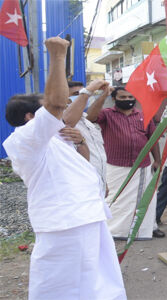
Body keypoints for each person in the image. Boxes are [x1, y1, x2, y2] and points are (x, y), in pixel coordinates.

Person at [2, 37, 126, 299]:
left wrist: (89, 91)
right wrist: (58, 56)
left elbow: (68, 117)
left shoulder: (52, 135)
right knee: (60, 287)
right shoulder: (25, 139)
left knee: (97, 283)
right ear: (31, 117)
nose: (59, 111)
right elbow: (57, 105)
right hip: (66, 224)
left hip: (88, 216)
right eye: (44, 109)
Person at [87, 86, 165, 239]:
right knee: (115, 199)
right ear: (114, 99)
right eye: (122, 98)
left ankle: (148, 227)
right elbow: (89, 117)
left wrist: (157, 160)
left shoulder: (144, 116)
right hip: (115, 166)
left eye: (130, 97)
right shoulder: (106, 115)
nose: (127, 100)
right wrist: (103, 95)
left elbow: (153, 139)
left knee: (146, 198)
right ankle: (113, 231)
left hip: (141, 166)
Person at [64, 80, 109, 193]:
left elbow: (97, 154)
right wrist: (88, 90)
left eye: (83, 94)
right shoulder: (62, 121)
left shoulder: (86, 122)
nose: (82, 97)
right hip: (81, 186)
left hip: (97, 183)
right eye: (76, 95)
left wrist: (103, 182)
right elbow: (67, 121)